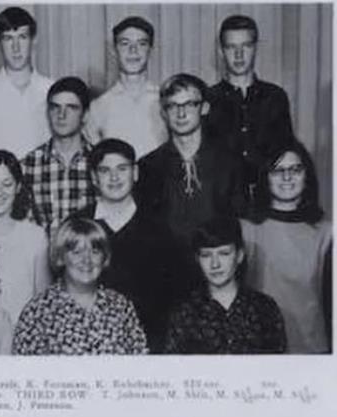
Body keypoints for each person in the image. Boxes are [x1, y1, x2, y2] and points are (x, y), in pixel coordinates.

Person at [72, 139, 189, 352]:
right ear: (94, 178)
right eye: (105, 171)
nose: (114, 177)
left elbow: (176, 299)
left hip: (148, 346)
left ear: (135, 173)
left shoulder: (161, 229)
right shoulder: (77, 226)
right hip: (87, 344)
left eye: (122, 169)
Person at [241, 142, 331, 353]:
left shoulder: (326, 234)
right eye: (277, 170)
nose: (287, 177)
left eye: (295, 169)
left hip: (310, 350)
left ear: (307, 176)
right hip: (259, 348)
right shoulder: (246, 230)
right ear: (265, 177)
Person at [137, 73, 246, 249]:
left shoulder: (229, 162)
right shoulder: (149, 166)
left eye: (189, 104)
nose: (181, 113)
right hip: (165, 262)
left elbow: (238, 224)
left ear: (204, 108)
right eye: (172, 106)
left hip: (215, 261)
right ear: (163, 113)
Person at [13, 217, 147, 355]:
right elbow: (22, 366)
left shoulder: (121, 307)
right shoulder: (38, 312)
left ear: (104, 258)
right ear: (61, 257)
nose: (86, 260)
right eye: (77, 252)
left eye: (95, 251)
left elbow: (141, 361)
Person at [165, 217, 287, 354]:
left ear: (239, 256)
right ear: (197, 260)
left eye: (224, 253)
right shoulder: (185, 312)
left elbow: (278, 362)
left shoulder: (264, 308)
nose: (215, 264)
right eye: (206, 255)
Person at [206, 15, 295, 201]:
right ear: (221, 51)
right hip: (222, 204)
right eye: (231, 47)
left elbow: (287, 151)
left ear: (255, 48)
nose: (238, 55)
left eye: (245, 46)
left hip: (268, 202)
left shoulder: (275, 97)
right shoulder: (208, 99)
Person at [0, 150, 50, 322]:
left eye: (7, 184)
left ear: (18, 187)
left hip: (23, 332)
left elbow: (43, 301)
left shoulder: (35, 237)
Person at [0, 6, 54, 159]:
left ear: (34, 40)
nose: (16, 47)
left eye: (22, 37)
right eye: (8, 38)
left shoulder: (52, 91)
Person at [21, 76, 95, 236]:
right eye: (55, 107)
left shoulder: (99, 163)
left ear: (85, 115)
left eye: (71, 108)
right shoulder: (28, 165)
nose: (61, 115)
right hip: (43, 251)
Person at [86, 16, 167, 158]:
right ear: (113, 50)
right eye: (125, 43)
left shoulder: (166, 101)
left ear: (151, 50)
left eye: (141, 44)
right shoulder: (98, 106)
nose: (133, 50)